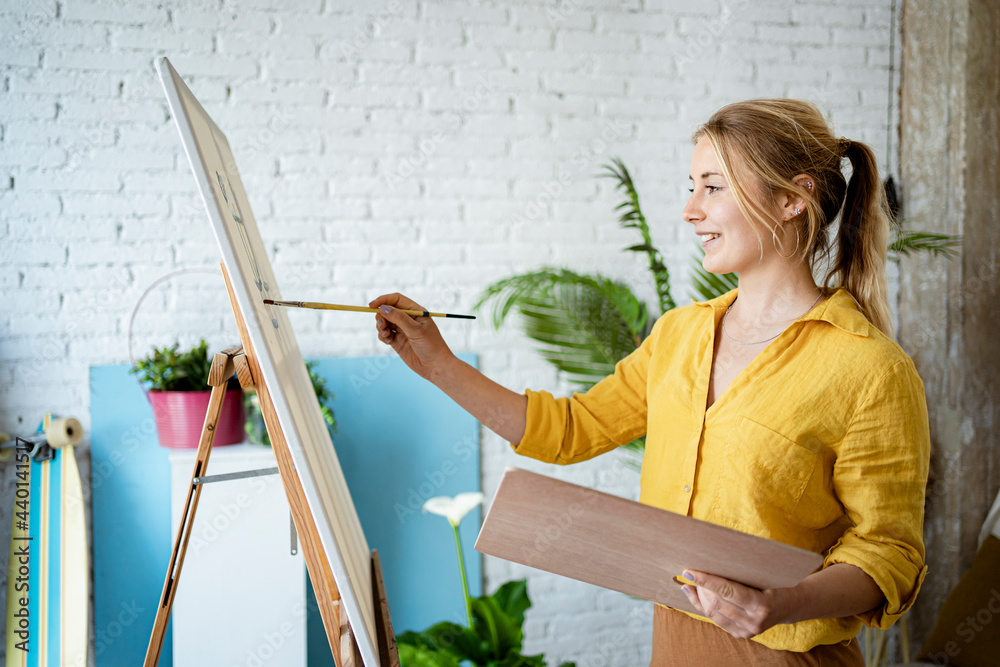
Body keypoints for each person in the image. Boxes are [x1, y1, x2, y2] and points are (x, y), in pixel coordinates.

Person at [369, 99, 930, 667]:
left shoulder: (870, 368)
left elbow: (888, 552)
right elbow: (570, 430)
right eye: (691, 186)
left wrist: (782, 604)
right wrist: (438, 363)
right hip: (675, 646)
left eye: (712, 186)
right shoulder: (679, 335)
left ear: (791, 199)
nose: (690, 210)